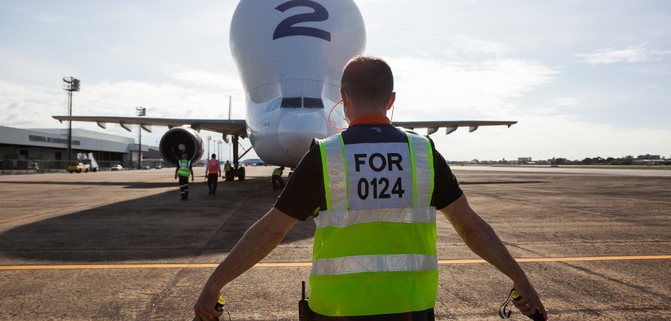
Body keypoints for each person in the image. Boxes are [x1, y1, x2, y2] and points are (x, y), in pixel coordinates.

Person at [194, 56, 547, 320]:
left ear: (343, 98)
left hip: (338, 309)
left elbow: (271, 232)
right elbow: (471, 227)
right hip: (412, 308)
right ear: (391, 100)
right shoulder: (422, 153)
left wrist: (214, 285)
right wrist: (520, 278)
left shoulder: (326, 156)